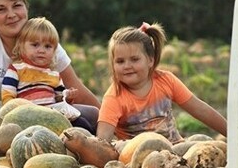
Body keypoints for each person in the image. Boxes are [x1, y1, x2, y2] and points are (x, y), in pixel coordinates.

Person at [96, 22, 227, 143]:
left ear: (150, 60)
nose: (127, 66)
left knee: (200, 141)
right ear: (112, 65)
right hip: (140, 161)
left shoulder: (166, 80)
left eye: (134, 59)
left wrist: (234, 134)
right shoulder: (114, 97)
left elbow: (201, 110)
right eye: (120, 61)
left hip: (175, 149)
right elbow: (102, 140)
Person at [2, 17, 96, 132]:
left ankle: (93, 143)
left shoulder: (54, 74)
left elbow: (59, 98)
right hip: (28, 117)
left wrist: (67, 97)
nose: (41, 50)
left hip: (53, 115)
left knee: (83, 123)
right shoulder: (17, 69)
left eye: (47, 46)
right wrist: (15, 114)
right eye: (35, 45)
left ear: (54, 50)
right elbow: (7, 97)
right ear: (21, 46)